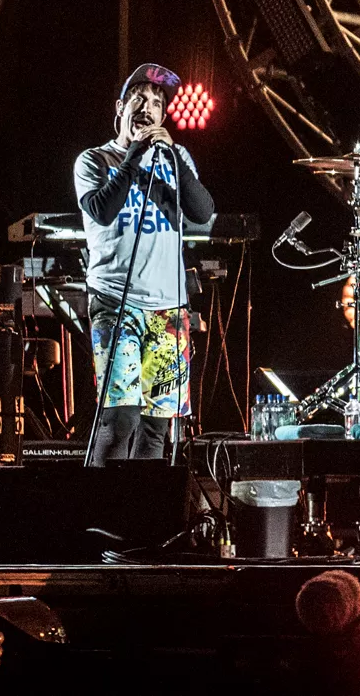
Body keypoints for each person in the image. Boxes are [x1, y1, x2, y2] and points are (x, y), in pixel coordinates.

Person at [75, 63, 216, 464]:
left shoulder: (176, 157)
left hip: (168, 308)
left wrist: (171, 157)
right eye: (139, 97)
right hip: (115, 301)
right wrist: (134, 154)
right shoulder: (93, 160)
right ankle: (99, 500)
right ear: (120, 107)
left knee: (156, 426)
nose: (147, 107)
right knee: (121, 418)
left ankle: (143, 502)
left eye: (156, 102)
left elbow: (202, 211)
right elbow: (101, 210)